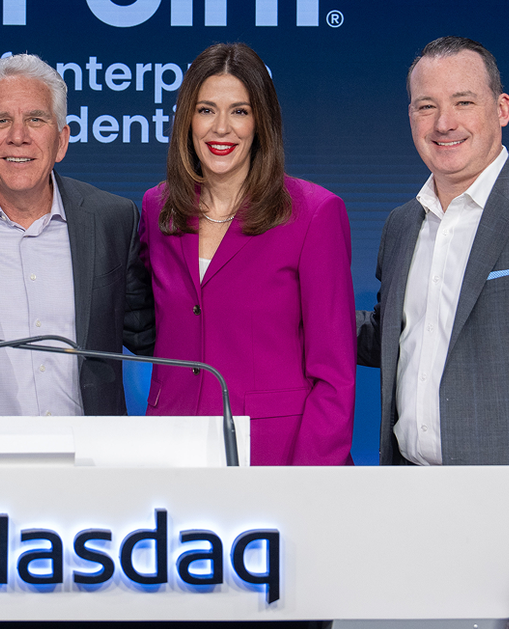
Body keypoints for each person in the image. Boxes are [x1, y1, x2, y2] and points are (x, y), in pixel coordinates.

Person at [357, 36, 509, 629]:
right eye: (426, 106)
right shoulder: (399, 226)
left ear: (501, 108)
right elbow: (394, 337)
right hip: (419, 518)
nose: (444, 123)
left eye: (462, 102)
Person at [139, 42, 355, 465]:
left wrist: (308, 481)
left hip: (275, 453)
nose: (221, 128)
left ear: (261, 122)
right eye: (205, 110)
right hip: (173, 448)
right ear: (187, 120)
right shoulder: (157, 208)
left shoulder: (314, 213)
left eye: (239, 111)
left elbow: (334, 376)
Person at [0, 54, 154, 415]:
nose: (18, 137)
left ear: (61, 141)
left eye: (35, 119)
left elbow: (154, 333)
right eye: (1, 120)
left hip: (88, 460)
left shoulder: (111, 220)